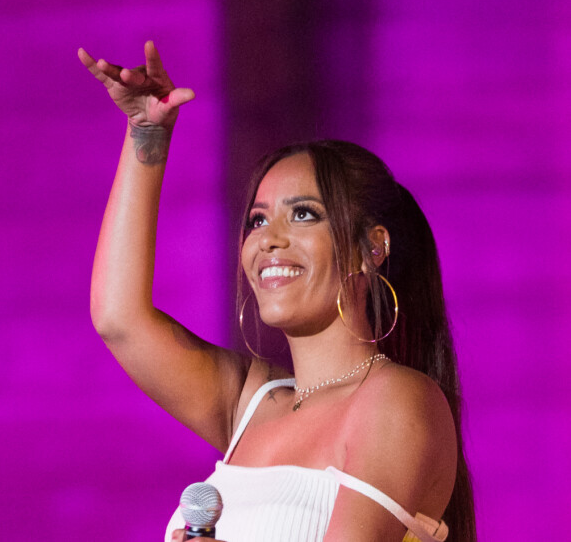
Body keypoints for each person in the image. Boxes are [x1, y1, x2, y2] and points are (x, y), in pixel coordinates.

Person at [79, 41, 476, 542]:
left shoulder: (398, 401)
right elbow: (119, 320)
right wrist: (148, 133)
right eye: (257, 220)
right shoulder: (251, 404)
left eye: (304, 214)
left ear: (370, 248)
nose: (268, 239)